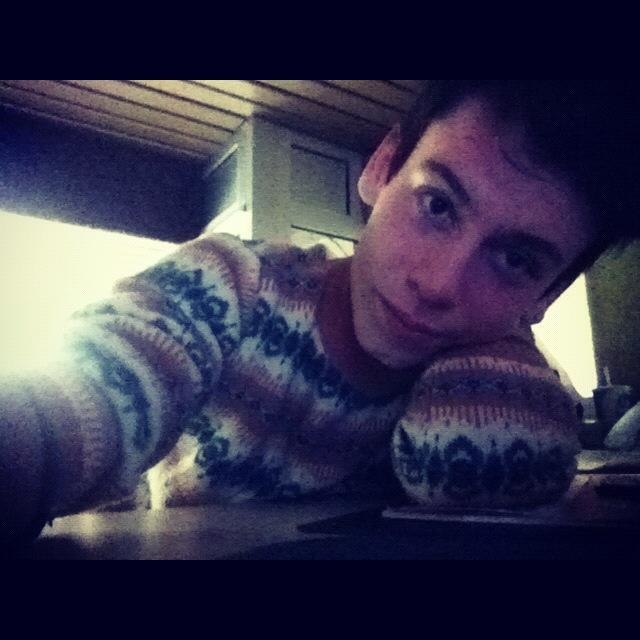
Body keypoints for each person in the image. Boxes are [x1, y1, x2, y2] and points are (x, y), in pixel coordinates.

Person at [2, 80, 639, 547]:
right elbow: (94, 393)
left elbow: (489, 478)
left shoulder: (497, 364)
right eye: (438, 204)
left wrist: (503, 341)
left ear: (546, 296)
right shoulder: (229, 284)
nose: (439, 284)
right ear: (382, 168)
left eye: (517, 260)